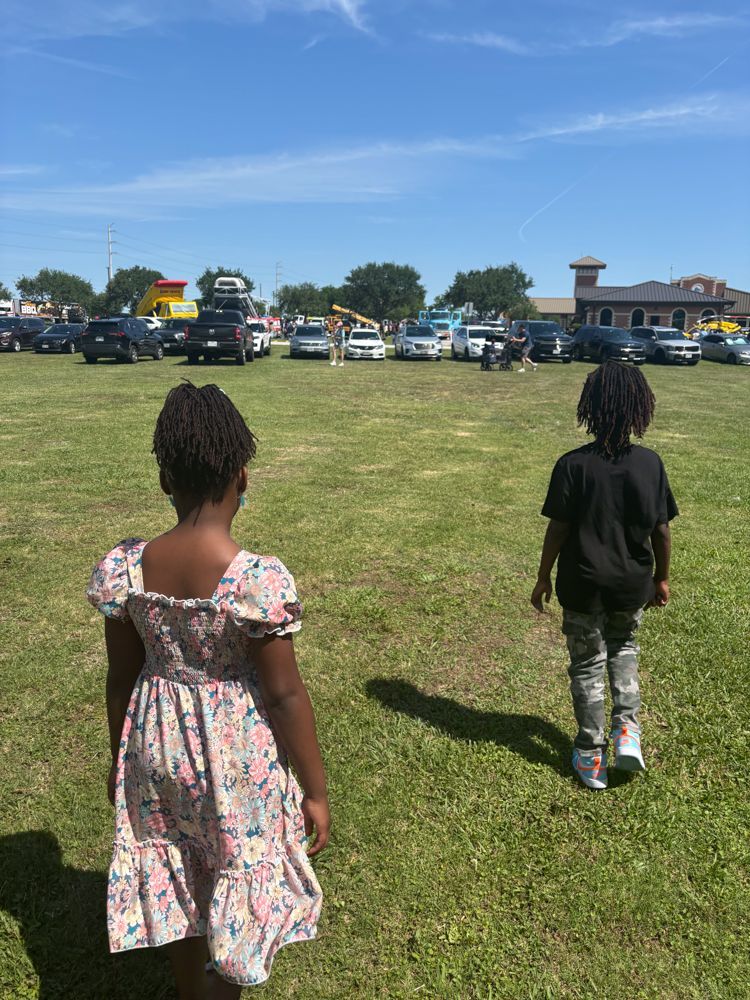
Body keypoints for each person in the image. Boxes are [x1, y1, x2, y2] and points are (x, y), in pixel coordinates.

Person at [86, 383, 329, 999]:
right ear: (243, 476)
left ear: (165, 480)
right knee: (235, 869)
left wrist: (125, 757)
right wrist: (317, 791)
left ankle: (190, 991)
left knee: (180, 869)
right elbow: (283, 696)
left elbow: (121, 678)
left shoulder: (127, 568)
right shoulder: (256, 578)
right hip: (234, 752)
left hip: (154, 740)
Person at [530, 362, 677, 790]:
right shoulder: (651, 464)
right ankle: (627, 731)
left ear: (590, 406)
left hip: (582, 583)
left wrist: (543, 577)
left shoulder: (572, 464)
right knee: (624, 647)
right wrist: (662, 578)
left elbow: (557, 528)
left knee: (587, 664)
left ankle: (591, 754)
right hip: (632, 583)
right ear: (638, 408)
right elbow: (662, 530)